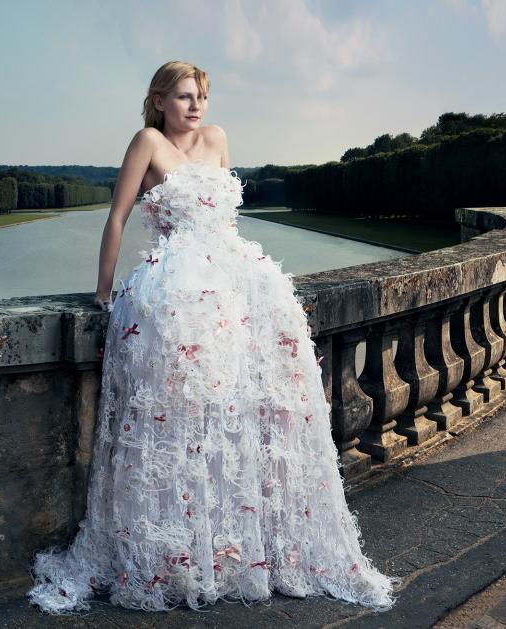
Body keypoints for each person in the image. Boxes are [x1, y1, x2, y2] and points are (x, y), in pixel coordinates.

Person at [27, 60, 399, 615]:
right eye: (183, 96)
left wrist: (246, 285)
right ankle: (178, 552)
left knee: (247, 416)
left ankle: (239, 547)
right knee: (180, 418)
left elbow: (227, 225)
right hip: (176, 288)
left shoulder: (218, 138)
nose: (196, 105)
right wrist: (103, 294)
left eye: (200, 95)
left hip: (235, 284)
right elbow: (117, 219)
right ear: (158, 100)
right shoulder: (147, 141)